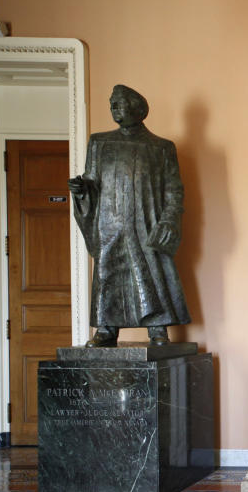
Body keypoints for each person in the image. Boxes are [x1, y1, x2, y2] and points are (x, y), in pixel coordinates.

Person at [68, 85, 190, 347]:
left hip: (146, 222)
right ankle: (107, 329)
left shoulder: (161, 147)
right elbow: (91, 182)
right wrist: (81, 191)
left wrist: (169, 219)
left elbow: (174, 190)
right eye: (112, 102)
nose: (114, 106)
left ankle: (158, 329)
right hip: (110, 223)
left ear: (139, 109)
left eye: (120, 102)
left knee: (152, 272)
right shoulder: (99, 143)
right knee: (108, 272)